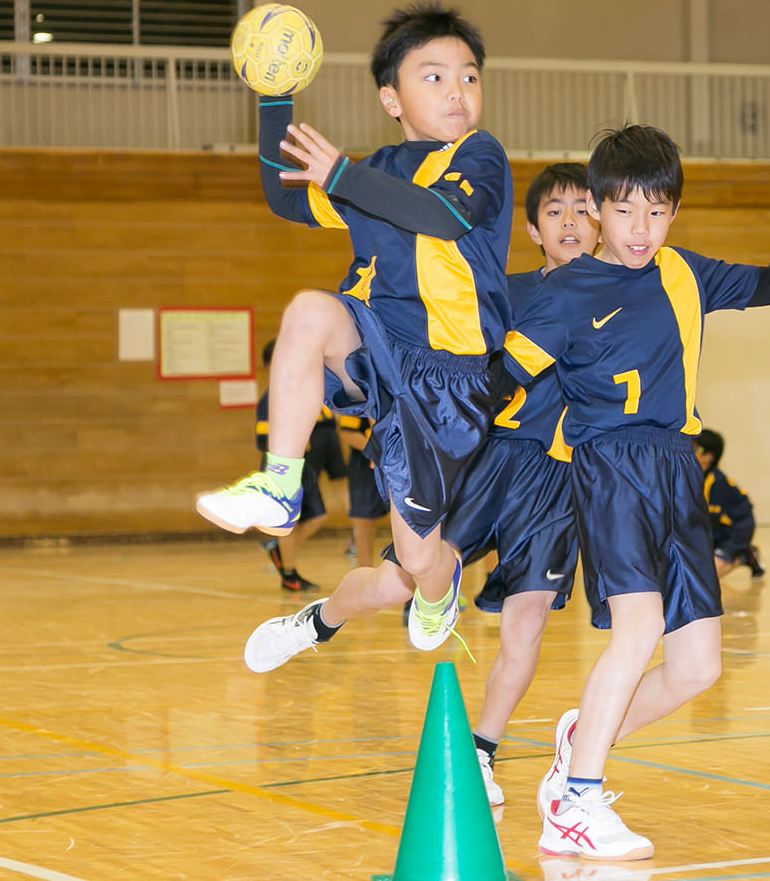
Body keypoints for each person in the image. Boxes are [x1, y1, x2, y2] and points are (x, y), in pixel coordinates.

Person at [502, 122, 770, 860]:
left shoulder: (684, 273)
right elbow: (502, 382)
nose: (640, 228)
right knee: (639, 629)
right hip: (610, 467)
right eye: (623, 211)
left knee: (698, 667)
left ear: (674, 210)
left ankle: (583, 739)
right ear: (595, 209)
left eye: (656, 210)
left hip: (677, 468)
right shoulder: (565, 290)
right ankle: (576, 803)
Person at [239, 164, 599, 810]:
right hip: (480, 460)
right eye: (556, 211)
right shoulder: (499, 293)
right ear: (531, 228)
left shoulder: (625, 299)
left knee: (529, 621)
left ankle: (481, 752)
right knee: (393, 581)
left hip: (557, 482)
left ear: (606, 222)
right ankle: (318, 621)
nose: (571, 221)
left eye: (584, 209)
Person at [196, 2, 513, 651]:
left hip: (449, 380)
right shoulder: (379, 171)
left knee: (415, 561)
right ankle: (280, 484)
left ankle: (436, 582)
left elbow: (446, 217)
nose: (457, 89)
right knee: (311, 310)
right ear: (390, 98)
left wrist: (343, 176)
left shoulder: (481, 157)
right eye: (433, 76)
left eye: (469, 76)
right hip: (378, 346)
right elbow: (287, 195)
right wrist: (273, 99)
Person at [254, 339, 340, 592]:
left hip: (303, 464)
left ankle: (279, 552)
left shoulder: (298, 390)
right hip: (283, 468)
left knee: (317, 516)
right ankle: (289, 574)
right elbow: (265, 438)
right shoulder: (271, 398)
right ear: (271, 365)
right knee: (289, 522)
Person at [692, 429, 765, 579]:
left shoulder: (716, 482)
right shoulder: (693, 477)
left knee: (707, 578)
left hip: (736, 530)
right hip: (718, 530)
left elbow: (706, 520)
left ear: (709, 457)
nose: (691, 452)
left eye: (696, 449)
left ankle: (745, 555)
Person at [334, 415, 388, 567]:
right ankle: (366, 573)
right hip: (365, 466)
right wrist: (377, 453)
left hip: (401, 466)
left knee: (408, 522)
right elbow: (347, 433)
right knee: (363, 521)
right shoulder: (358, 395)